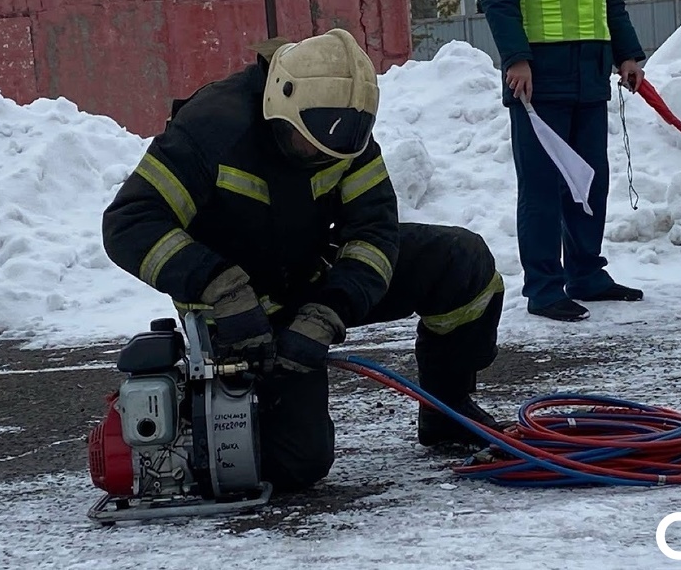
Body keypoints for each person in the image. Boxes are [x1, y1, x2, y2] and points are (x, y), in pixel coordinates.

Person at [102, 28, 508, 492]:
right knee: (296, 465)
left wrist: (331, 309)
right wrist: (222, 290)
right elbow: (130, 223)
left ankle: (447, 410)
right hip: (235, 314)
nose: (319, 155)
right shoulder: (212, 129)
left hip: (314, 281)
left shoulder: (341, 132)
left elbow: (374, 233)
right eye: (306, 143)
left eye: (337, 147)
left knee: (462, 262)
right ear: (280, 102)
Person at [479, 0, 647, 322]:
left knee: (588, 183)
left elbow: (610, 4)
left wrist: (626, 54)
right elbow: (499, 3)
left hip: (591, 73)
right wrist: (515, 58)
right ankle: (544, 289)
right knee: (541, 188)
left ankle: (586, 275)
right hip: (538, 74)